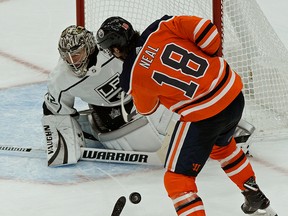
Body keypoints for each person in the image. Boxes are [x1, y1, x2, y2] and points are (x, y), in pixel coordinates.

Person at [96, 16, 276, 215]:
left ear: (115, 49)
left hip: (204, 116)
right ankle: (254, 195)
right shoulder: (161, 25)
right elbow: (209, 34)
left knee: (177, 179)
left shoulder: (130, 76)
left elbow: (148, 109)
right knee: (221, 148)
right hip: (232, 96)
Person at [41, 25, 172, 167]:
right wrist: (63, 147)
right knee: (143, 142)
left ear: (90, 46)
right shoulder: (61, 78)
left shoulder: (110, 49)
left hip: (140, 94)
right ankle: (87, 132)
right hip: (108, 113)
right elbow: (55, 110)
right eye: (67, 57)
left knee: (171, 115)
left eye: (77, 54)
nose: (73, 62)